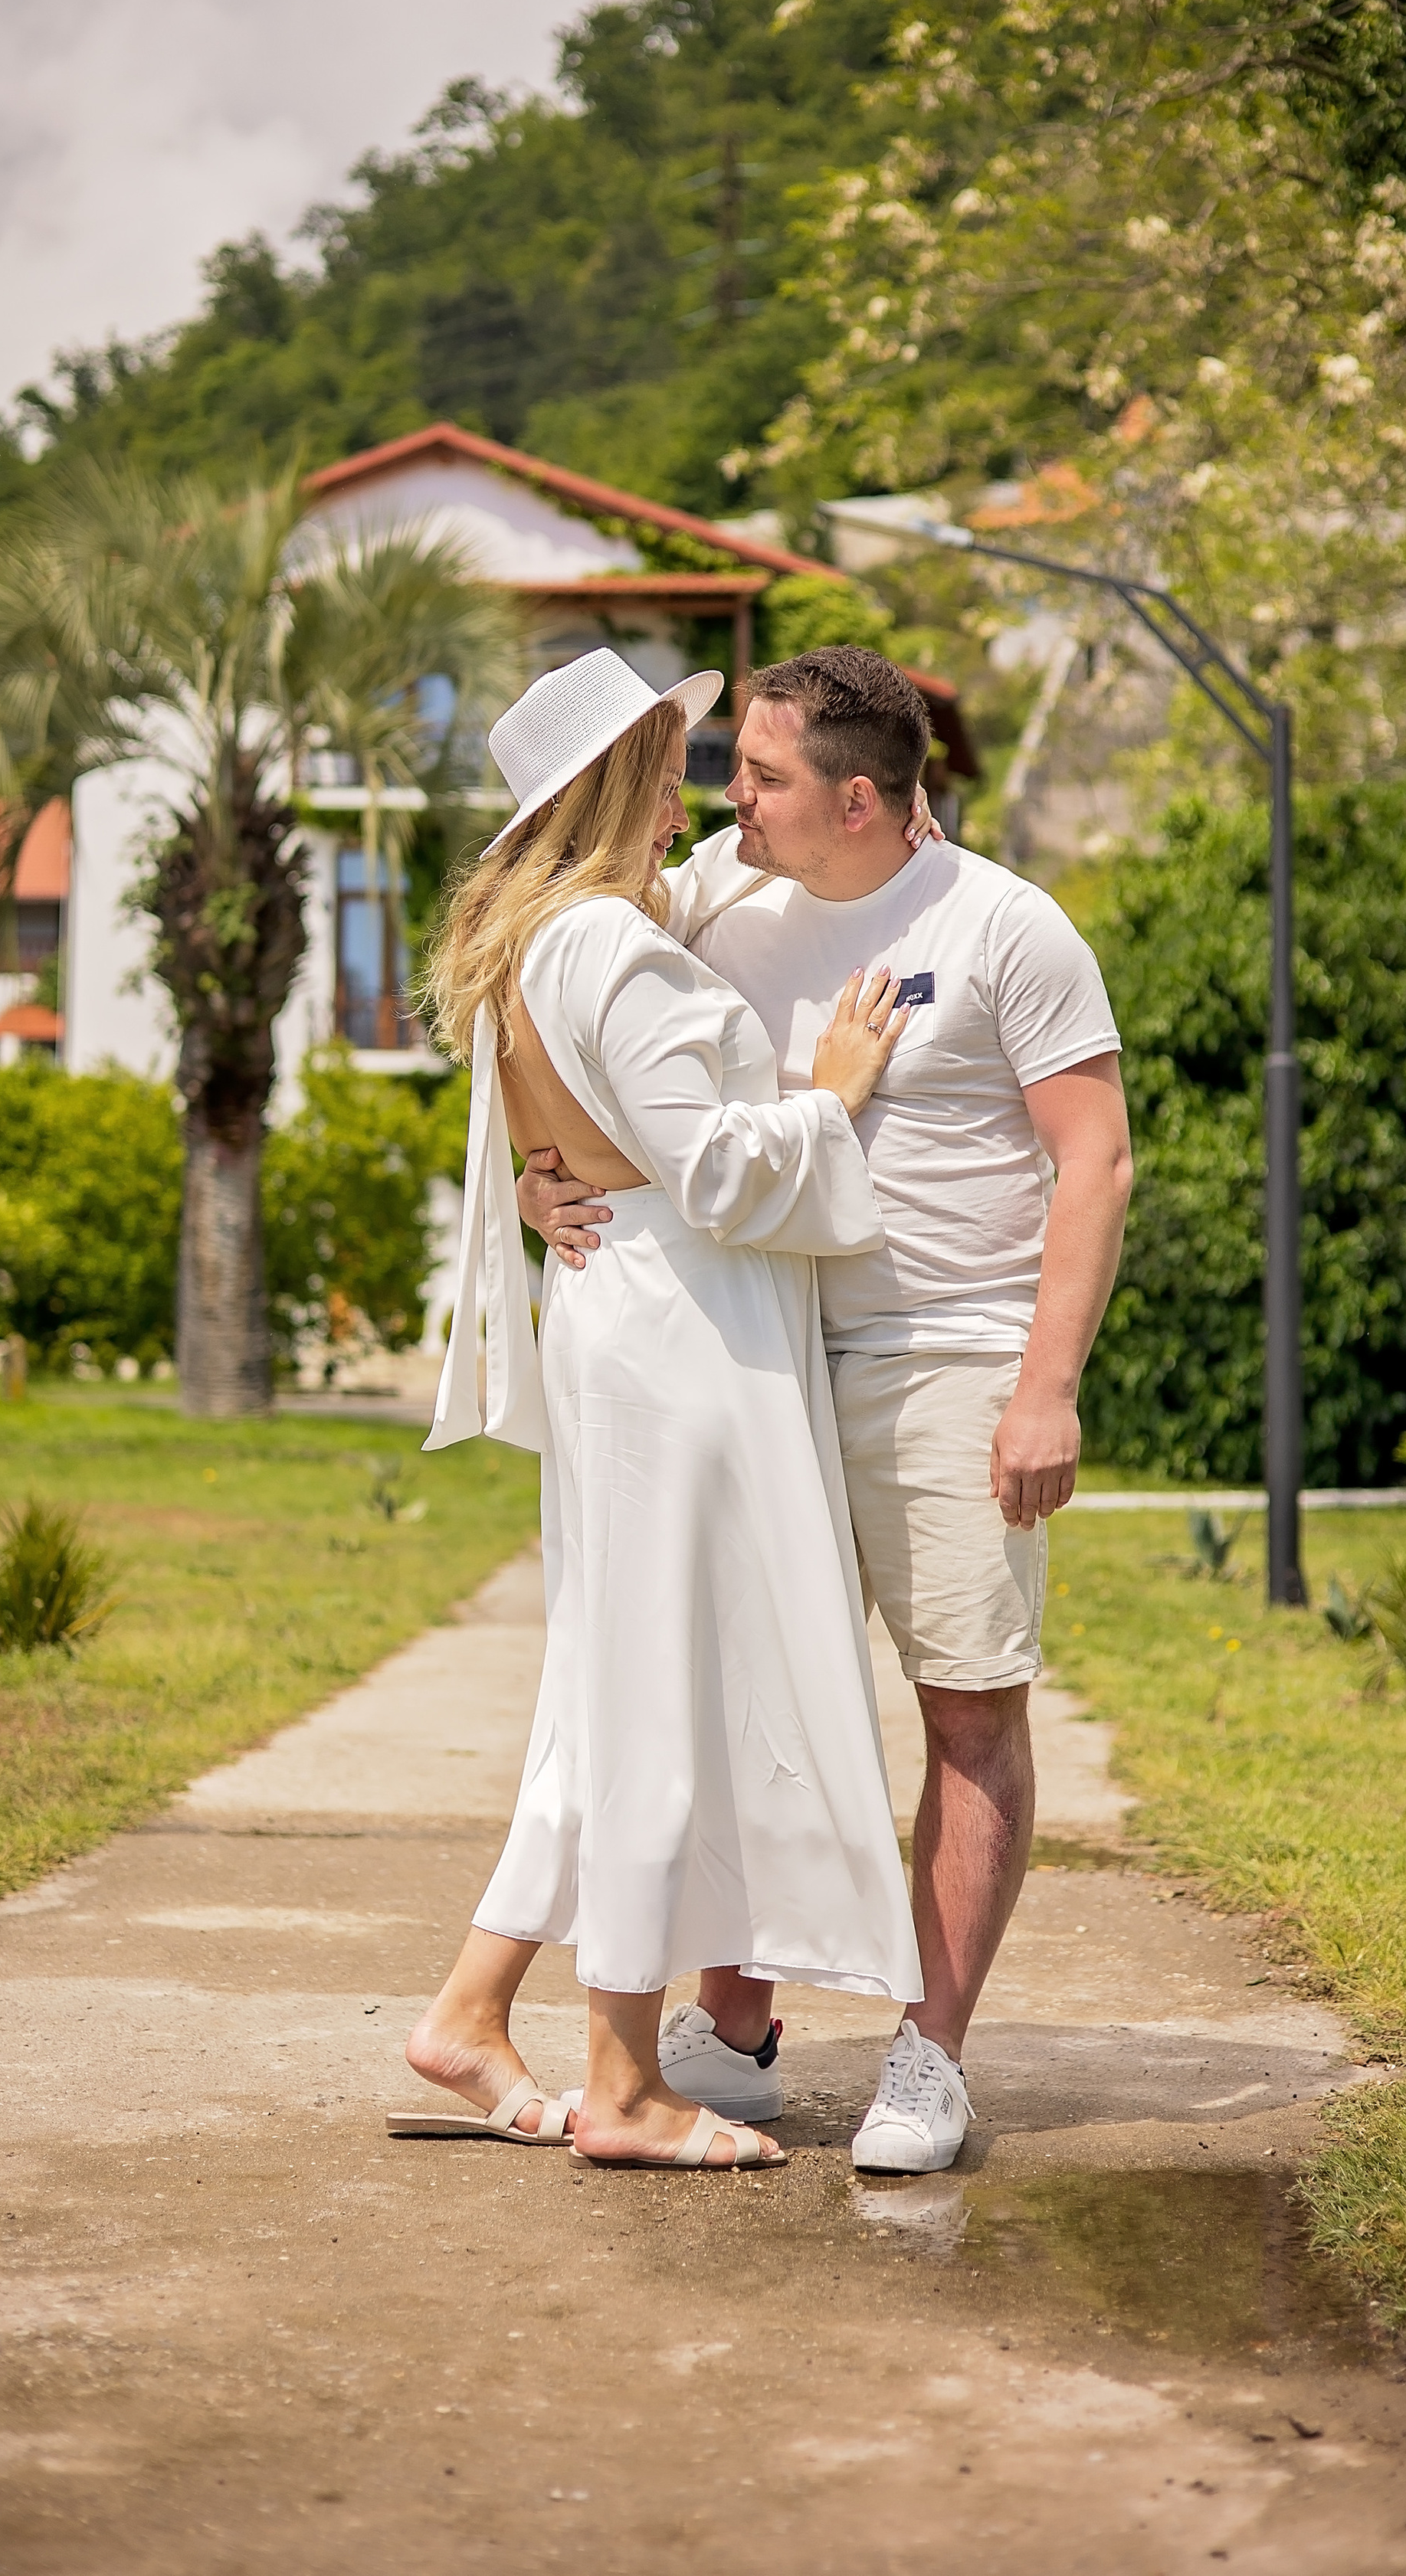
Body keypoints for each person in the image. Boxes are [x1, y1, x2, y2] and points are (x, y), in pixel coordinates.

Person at [522, 645, 1133, 2172]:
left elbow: (1096, 1158)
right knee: (748, 1700)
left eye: (764, 774)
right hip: (761, 1351)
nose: (729, 795)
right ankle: (733, 2029)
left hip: (951, 1361)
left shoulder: (1005, 926)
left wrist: (1045, 1389)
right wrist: (544, 1175)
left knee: (966, 1706)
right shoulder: (715, 900)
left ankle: (930, 2056)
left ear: (859, 800)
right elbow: (563, 1003)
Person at [396, 646, 925, 2173]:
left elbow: (567, 1129)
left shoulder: (546, 938)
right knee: (654, 1699)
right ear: (618, 783)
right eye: (672, 767)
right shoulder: (609, 954)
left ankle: (469, 2012)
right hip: (676, 1338)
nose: (696, 798)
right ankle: (623, 2086)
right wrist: (830, 1096)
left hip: (625, 1314)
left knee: (609, 1686)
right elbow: (709, 1169)